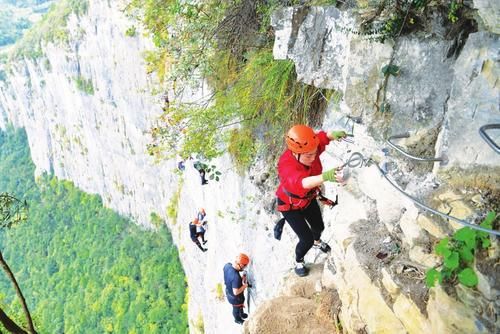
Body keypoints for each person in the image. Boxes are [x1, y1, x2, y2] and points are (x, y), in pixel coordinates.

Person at [276, 124, 346, 277]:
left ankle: (317, 241)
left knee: (319, 227)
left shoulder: (309, 150)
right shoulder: (286, 165)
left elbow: (321, 139)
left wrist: (333, 134)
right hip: (290, 206)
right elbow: (301, 183)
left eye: (314, 154)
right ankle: (299, 260)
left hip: (307, 199)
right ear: (295, 153)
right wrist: (326, 177)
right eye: (308, 156)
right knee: (305, 239)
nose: (313, 158)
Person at [223, 253, 250, 325]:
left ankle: (241, 313)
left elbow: (230, 279)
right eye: (245, 266)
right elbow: (236, 292)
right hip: (235, 298)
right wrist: (245, 285)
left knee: (239, 306)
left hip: (228, 291)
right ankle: (237, 319)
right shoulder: (236, 277)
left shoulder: (227, 265)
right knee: (236, 308)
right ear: (240, 265)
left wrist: (241, 279)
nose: (245, 268)